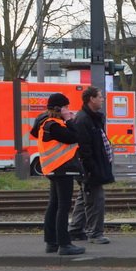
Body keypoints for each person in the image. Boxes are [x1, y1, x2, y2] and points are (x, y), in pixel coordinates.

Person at [29, 93, 85, 256]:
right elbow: (75, 137)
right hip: (62, 168)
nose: (68, 110)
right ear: (59, 108)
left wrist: (66, 120)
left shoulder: (46, 123)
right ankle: (64, 244)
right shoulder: (54, 125)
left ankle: (51, 242)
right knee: (63, 206)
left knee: (54, 205)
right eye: (66, 107)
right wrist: (69, 121)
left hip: (53, 169)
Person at [68, 86, 114, 245]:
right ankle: (95, 233)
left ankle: (75, 229)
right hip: (90, 168)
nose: (102, 99)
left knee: (84, 197)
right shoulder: (84, 120)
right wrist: (91, 170)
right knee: (96, 200)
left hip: (94, 165)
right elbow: (85, 148)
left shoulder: (91, 118)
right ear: (91, 99)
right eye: (100, 96)